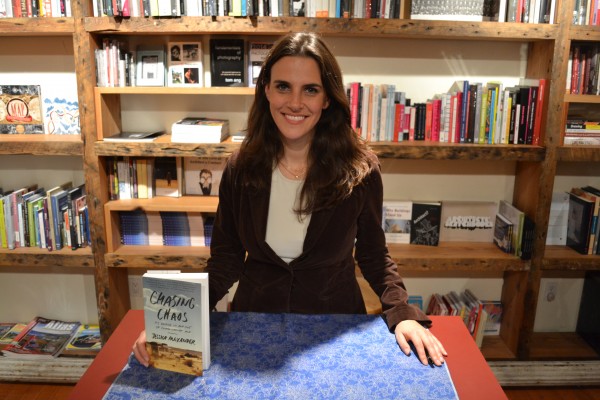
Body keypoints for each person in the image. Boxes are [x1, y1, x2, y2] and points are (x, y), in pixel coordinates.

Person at [133, 32, 447, 368]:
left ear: (327, 98)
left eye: (310, 89)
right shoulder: (241, 168)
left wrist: (402, 314)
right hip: (254, 324)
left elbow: (372, 253)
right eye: (283, 86)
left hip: (333, 328)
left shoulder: (360, 170)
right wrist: (173, 321)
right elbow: (226, 259)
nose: (295, 103)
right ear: (266, 89)